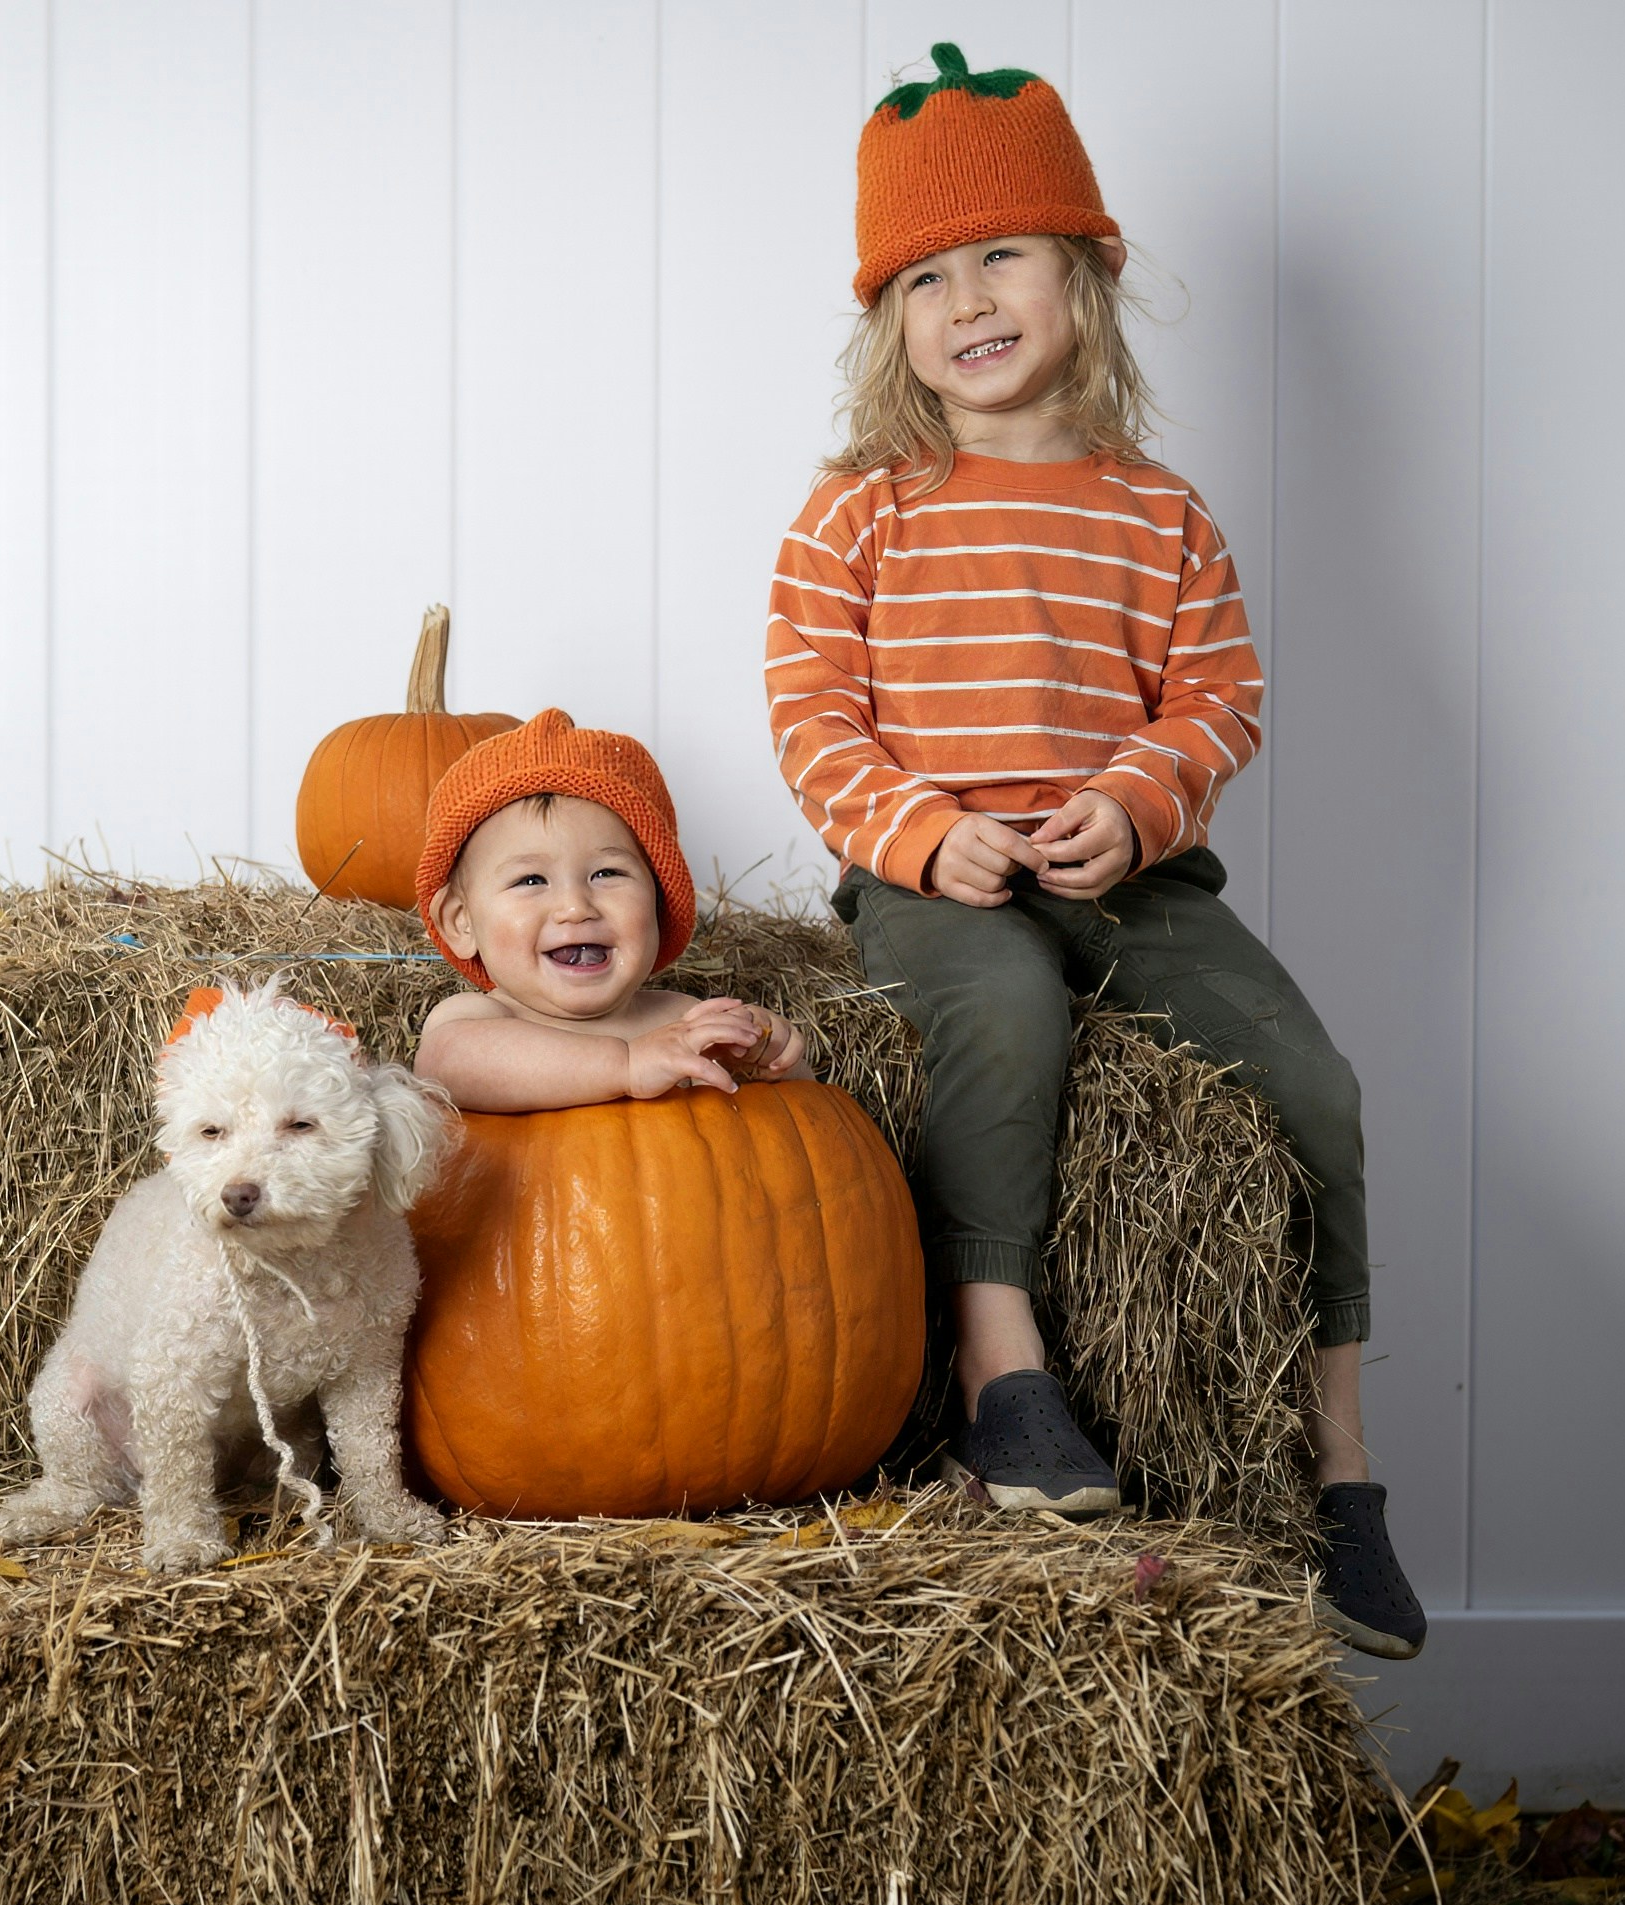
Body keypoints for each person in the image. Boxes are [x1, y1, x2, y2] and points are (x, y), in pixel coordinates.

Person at [767, 43, 1425, 1657]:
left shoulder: (1158, 511)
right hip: (942, 879)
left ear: (1086, 273)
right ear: (889, 321)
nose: (967, 299)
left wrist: (1131, 803)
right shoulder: (863, 511)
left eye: (1003, 253)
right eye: (925, 275)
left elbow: (1216, 695)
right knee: (1002, 1016)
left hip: (1132, 873)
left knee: (1316, 1086)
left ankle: (1341, 1465)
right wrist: (926, 836)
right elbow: (812, 716)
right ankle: (1008, 1377)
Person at [410, 708, 807, 1111]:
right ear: (460, 922)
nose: (575, 907)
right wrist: (627, 1065)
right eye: (531, 880)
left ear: (659, 899)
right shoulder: (476, 1021)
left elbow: (796, 1127)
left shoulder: (684, 1018)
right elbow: (445, 1067)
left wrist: (767, 1055)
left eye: (606, 873)